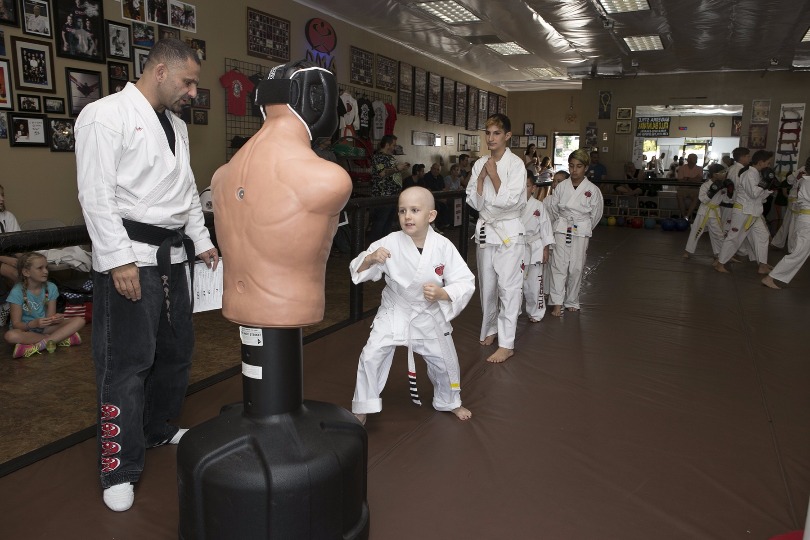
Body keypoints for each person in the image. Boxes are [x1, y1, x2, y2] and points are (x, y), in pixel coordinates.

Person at [75, 39, 218, 513]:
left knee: (176, 354)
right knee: (126, 365)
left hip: (173, 258)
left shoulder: (176, 124)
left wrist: (202, 240)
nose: (194, 91)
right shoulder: (104, 115)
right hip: (131, 259)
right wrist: (118, 260)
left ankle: (158, 430)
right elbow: (96, 196)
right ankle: (119, 468)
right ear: (159, 71)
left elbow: (185, 195)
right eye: (188, 81)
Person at [212, 59, 352, 327]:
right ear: (318, 101)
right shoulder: (329, 178)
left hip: (235, 303)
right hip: (289, 307)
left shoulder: (222, 175)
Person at [350, 187, 475, 423]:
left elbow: (465, 280)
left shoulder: (443, 245)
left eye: (415, 210)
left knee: (445, 362)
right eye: (402, 211)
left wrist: (443, 293)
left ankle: (448, 401)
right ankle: (363, 405)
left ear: (431, 215)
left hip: (427, 313)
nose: (407, 216)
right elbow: (359, 269)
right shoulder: (390, 241)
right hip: (396, 309)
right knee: (372, 354)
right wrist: (370, 259)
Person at [466, 113, 526, 364]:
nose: (490, 138)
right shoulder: (480, 163)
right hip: (486, 230)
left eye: (496, 133)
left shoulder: (516, 165)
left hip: (509, 232)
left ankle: (507, 343)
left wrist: (493, 175)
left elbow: (511, 201)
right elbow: (473, 200)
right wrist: (481, 176)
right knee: (487, 286)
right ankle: (490, 328)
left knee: (508, 288)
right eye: (488, 133)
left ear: (507, 136)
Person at [547, 149, 604, 317]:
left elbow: (596, 213)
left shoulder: (592, 190)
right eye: (571, 166)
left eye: (579, 166)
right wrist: (562, 221)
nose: (574, 170)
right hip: (562, 226)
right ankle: (557, 302)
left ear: (585, 168)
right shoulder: (562, 187)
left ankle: (572, 300)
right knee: (558, 266)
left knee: (576, 267)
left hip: (581, 228)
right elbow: (552, 207)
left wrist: (584, 225)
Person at [4, 252, 85, 358]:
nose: (46, 271)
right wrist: (33, 324)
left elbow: (50, 317)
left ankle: (39, 345)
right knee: (10, 336)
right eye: (40, 268)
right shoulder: (17, 292)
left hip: (45, 328)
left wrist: (56, 318)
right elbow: (16, 324)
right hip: (25, 330)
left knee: (80, 320)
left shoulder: (51, 287)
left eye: (46, 267)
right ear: (26, 272)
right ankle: (58, 339)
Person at [715, 150, 775, 274]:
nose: (769, 166)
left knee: (763, 236)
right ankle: (720, 263)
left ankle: (762, 265)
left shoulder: (757, 174)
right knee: (734, 237)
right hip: (743, 211)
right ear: (760, 162)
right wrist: (765, 183)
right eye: (768, 163)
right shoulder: (749, 174)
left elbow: (759, 196)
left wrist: (769, 190)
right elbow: (753, 193)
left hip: (754, 212)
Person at [762, 163, 810, 289]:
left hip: (806, 220)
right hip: (807, 222)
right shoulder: (807, 182)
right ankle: (770, 277)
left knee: (801, 252)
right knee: (799, 253)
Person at [521, 171, 554, 323]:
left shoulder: (539, 206)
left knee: (534, 284)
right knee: (511, 285)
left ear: (533, 188)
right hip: (515, 248)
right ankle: (511, 312)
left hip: (534, 248)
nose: (523, 189)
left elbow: (545, 228)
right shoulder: (510, 206)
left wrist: (545, 249)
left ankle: (536, 311)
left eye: (526, 186)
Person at [683, 163, 729, 260]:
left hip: (715, 212)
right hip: (704, 212)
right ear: (715, 174)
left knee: (718, 233)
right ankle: (687, 251)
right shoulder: (705, 185)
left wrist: (729, 192)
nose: (725, 174)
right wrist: (711, 192)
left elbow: (725, 200)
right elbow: (703, 199)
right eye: (722, 172)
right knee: (696, 231)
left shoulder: (722, 185)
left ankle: (719, 253)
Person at [368, 134, 409, 244]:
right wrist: (396, 168)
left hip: (393, 194)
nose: (395, 147)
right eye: (393, 145)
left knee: (389, 222)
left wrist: (401, 168)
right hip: (383, 194)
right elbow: (382, 173)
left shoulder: (390, 157)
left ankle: (385, 244)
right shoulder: (378, 157)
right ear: (387, 145)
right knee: (380, 222)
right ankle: (374, 246)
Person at [772, 156, 809, 252]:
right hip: (797, 202)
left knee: (788, 223)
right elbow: (789, 180)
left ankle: (779, 243)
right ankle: (792, 249)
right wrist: (797, 175)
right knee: (793, 225)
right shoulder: (803, 169)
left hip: (798, 201)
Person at [0, 184, 22, 286]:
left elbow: (16, 243)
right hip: (2, 258)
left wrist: (24, 259)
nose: (2, 199)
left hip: (8, 254)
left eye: (2, 195)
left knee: (31, 269)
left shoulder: (8, 216)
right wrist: (5, 259)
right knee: (14, 273)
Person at [676, 153, 704, 221]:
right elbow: (680, 180)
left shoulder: (699, 168)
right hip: (683, 188)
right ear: (688, 159)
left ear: (696, 160)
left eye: (693, 158)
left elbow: (699, 179)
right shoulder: (682, 168)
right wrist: (693, 179)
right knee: (679, 196)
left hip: (694, 189)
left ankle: (687, 216)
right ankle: (684, 216)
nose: (691, 160)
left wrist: (687, 179)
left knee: (696, 197)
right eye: (690, 158)